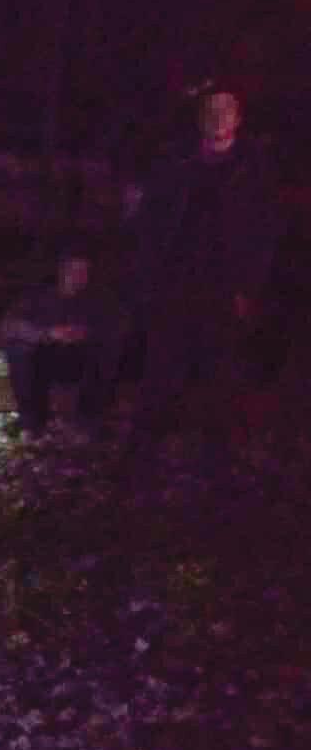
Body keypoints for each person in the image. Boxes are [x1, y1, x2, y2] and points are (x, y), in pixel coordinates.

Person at [126, 81, 279, 475]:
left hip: (224, 288)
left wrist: (248, 287)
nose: (218, 117)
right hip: (174, 282)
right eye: (211, 110)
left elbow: (264, 233)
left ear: (238, 118)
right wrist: (149, 278)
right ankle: (143, 454)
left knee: (220, 371)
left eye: (226, 109)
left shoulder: (254, 169)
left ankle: (216, 456)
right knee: (162, 367)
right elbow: (152, 223)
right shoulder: (176, 164)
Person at [2, 239, 127, 439]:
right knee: (19, 349)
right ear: (61, 272)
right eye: (73, 271)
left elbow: (115, 326)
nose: (79, 277)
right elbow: (12, 325)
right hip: (44, 358)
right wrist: (48, 333)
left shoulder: (98, 298)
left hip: (81, 361)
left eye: (84, 272)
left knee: (108, 350)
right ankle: (32, 421)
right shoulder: (38, 296)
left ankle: (87, 421)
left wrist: (85, 334)